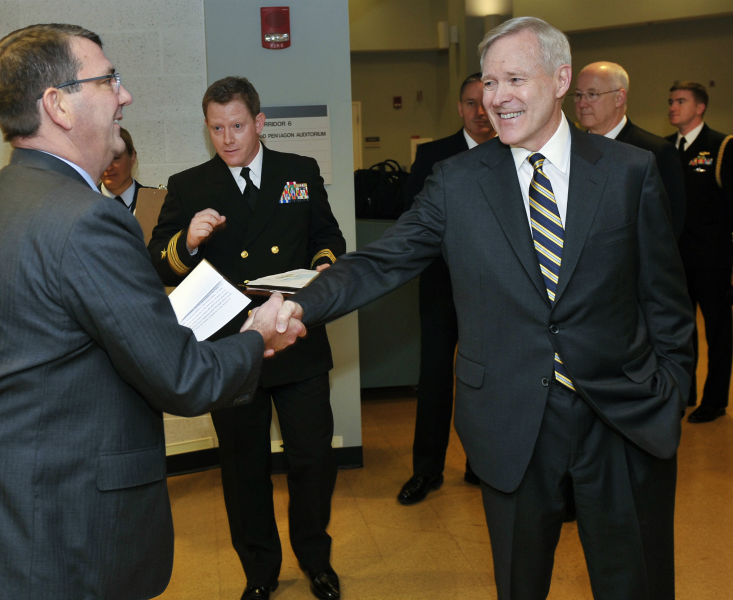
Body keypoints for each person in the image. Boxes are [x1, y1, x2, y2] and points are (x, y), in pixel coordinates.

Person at [265, 16, 693, 599]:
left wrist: (671, 391)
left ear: (561, 78)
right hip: (511, 422)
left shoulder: (628, 172)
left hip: (623, 416)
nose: (497, 97)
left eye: (514, 78)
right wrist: (300, 304)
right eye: (490, 83)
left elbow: (665, 297)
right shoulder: (457, 183)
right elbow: (381, 262)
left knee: (635, 583)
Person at [0, 24, 305, 600]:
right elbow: (183, 379)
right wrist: (257, 336)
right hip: (55, 535)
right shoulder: (86, 219)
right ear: (58, 105)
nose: (125, 95)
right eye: (108, 80)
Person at [149, 76, 346, 600]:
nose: (228, 138)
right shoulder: (189, 184)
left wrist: (317, 278)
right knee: (243, 467)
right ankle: (259, 572)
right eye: (217, 128)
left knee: (312, 458)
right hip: (232, 349)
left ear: (259, 122)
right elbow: (158, 257)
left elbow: (327, 238)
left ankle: (315, 559)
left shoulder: (297, 173)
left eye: (237, 125)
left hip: (296, 336)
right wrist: (187, 241)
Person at [396, 72, 494, 505]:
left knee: (487, 381)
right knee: (435, 377)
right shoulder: (433, 156)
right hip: (441, 286)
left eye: (485, 102)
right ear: (460, 108)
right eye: (470, 103)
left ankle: (482, 464)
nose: (479, 112)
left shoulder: (515, 152)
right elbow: (414, 221)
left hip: (494, 293)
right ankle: (426, 470)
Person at [666, 81, 733, 423]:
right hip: (674, 263)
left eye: (681, 101)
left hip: (713, 262)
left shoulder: (721, 146)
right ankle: (684, 393)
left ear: (700, 107)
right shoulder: (663, 148)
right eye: (671, 101)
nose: (673, 107)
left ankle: (715, 400)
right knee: (679, 334)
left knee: (718, 332)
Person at [574, 61, 687, 239]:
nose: (582, 103)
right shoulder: (570, 150)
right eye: (578, 95)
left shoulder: (654, 152)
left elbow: (667, 228)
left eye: (592, 94)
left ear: (619, 98)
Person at [101, 126, 154, 213]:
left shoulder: (156, 201)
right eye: (102, 159)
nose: (109, 167)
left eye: (116, 158)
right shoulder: (83, 204)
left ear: (132, 157)